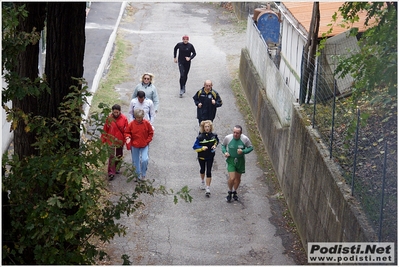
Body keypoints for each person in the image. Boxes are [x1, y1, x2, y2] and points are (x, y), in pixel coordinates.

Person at [221, 125, 253, 202]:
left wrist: (243, 151)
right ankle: (229, 191)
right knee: (232, 178)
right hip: (231, 160)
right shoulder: (228, 138)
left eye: (237, 133)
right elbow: (223, 146)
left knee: (238, 179)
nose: (235, 134)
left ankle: (234, 191)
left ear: (241, 133)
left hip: (240, 161)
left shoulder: (244, 139)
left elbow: (250, 148)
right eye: (234, 132)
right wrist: (225, 152)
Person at [124, 108, 154, 181]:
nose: (139, 119)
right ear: (135, 117)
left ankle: (143, 174)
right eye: (137, 118)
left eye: (140, 118)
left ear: (143, 117)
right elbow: (127, 132)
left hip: (144, 144)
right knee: (135, 161)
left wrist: (147, 141)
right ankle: (137, 175)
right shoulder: (131, 124)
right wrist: (128, 137)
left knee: (145, 159)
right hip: (135, 145)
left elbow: (151, 132)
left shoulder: (146, 123)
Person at [101, 104, 128, 181]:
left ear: (120, 111)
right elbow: (105, 129)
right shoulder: (109, 118)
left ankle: (117, 167)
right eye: (114, 112)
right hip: (111, 140)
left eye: (117, 112)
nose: (115, 114)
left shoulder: (124, 119)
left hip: (119, 140)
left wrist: (126, 140)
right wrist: (103, 140)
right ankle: (111, 173)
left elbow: (126, 131)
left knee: (119, 155)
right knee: (111, 156)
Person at [192, 120, 219, 197]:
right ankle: (202, 182)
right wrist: (202, 148)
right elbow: (195, 147)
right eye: (205, 127)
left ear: (211, 127)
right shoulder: (200, 137)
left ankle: (208, 188)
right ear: (203, 128)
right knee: (202, 169)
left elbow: (216, 141)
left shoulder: (214, 135)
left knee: (209, 171)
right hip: (202, 157)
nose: (207, 128)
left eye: (208, 126)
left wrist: (215, 145)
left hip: (210, 156)